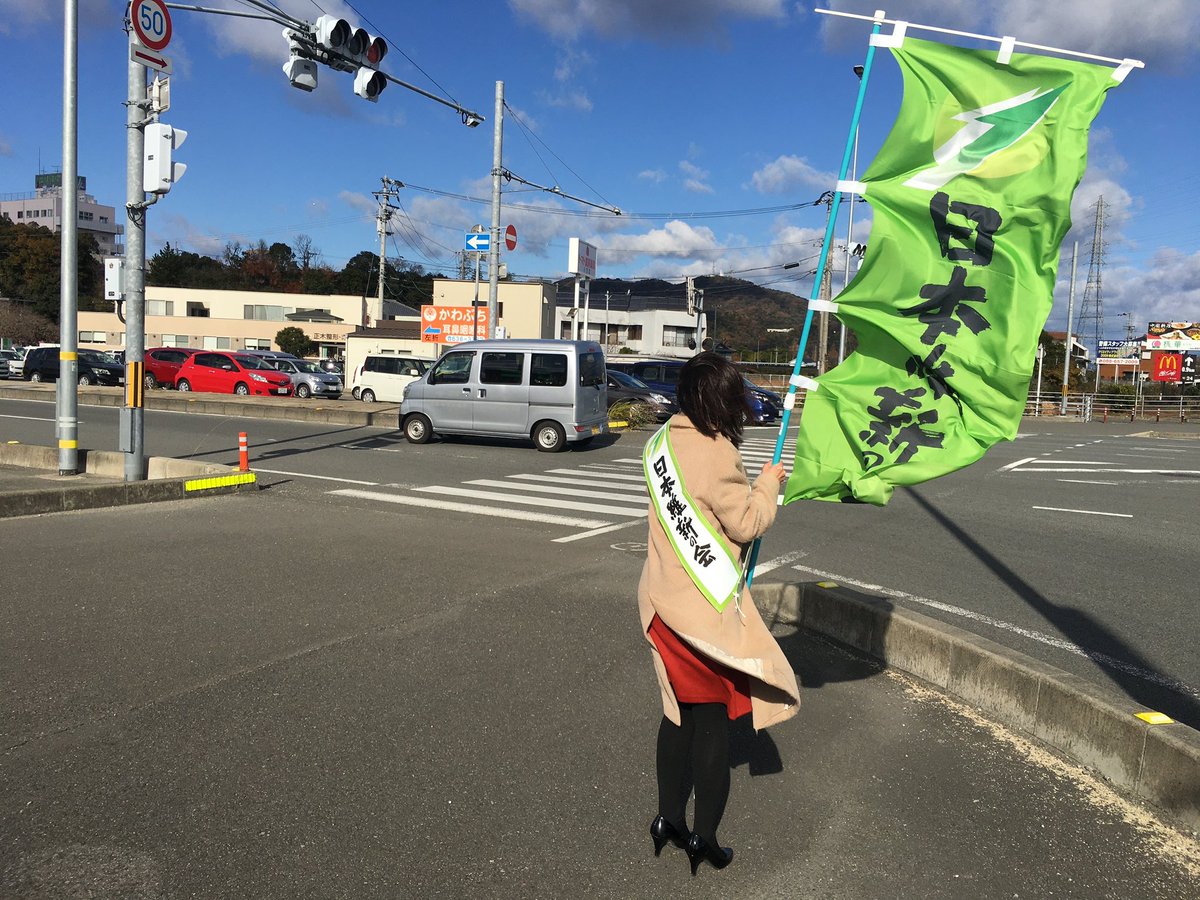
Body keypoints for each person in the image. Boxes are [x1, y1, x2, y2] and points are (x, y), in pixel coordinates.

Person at [638, 352, 801, 876]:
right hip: (699, 618)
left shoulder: (662, 440)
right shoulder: (716, 453)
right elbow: (748, 522)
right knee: (711, 727)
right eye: (737, 396)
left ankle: (666, 820)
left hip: (662, 603)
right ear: (720, 401)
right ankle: (703, 840)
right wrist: (769, 481)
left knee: (676, 716)